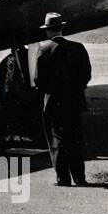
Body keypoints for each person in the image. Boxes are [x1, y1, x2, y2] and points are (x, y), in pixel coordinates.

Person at [33, 12, 91, 187]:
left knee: (57, 141)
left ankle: (63, 178)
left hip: (54, 102)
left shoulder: (44, 48)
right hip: (74, 101)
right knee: (75, 139)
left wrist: (47, 93)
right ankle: (80, 178)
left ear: (48, 31)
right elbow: (86, 75)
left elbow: (38, 79)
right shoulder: (78, 47)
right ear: (61, 28)